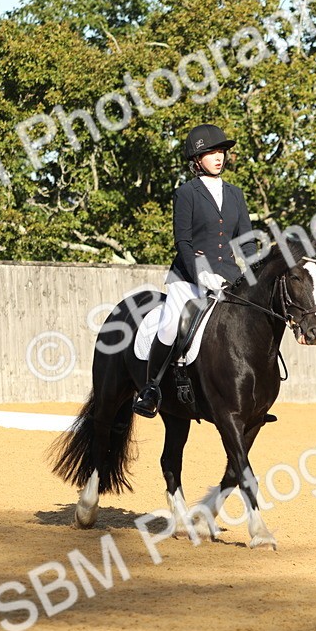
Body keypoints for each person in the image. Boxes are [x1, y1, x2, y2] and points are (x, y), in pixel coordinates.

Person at [133, 124, 257, 418]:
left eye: (221, 152)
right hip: (188, 278)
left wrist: (254, 273)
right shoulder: (186, 193)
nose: (218, 157)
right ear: (196, 159)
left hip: (228, 277)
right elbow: (183, 240)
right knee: (170, 323)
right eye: (211, 152)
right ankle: (152, 389)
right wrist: (200, 273)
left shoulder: (236, 194)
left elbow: (246, 241)